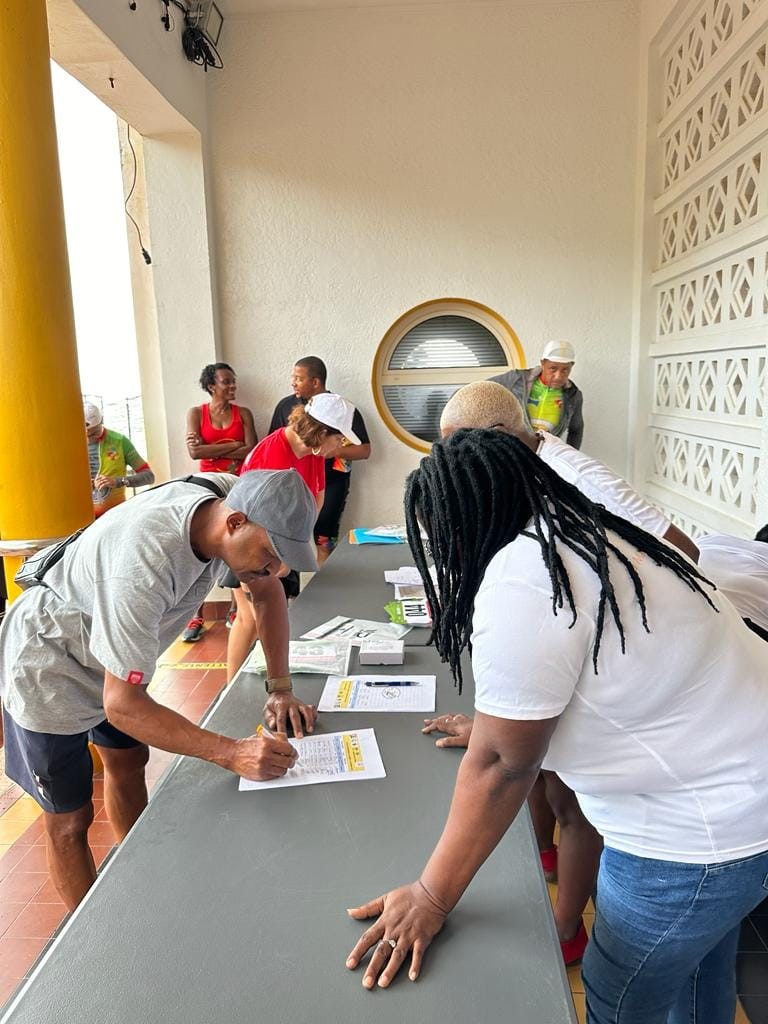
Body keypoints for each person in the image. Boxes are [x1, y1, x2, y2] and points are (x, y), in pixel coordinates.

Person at [345, 431, 768, 1024]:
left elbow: (503, 766)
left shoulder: (524, 577)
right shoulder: (590, 532)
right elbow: (609, 674)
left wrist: (431, 895)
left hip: (699, 836)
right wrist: (496, 725)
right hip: (746, 801)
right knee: (699, 967)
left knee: (620, 993)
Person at [429, 381, 697, 965]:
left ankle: (567, 923)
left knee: (571, 800)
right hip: (573, 663)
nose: (454, 464)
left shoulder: (577, 478)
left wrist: (431, 895)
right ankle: (543, 855)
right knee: (542, 776)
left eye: (460, 449)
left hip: (628, 701)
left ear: (499, 439)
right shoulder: (525, 474)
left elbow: (683, 554)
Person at [0, 469, 317, 911]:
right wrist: (231, 753)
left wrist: (280, 688)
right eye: (270, 554)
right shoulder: (144, 564)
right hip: (50, 663)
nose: (274, 568)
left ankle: (138, 879)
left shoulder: (231, 499)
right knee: (70, 820)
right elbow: (122, 706)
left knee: (129, 761)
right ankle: (89, 934)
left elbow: (266, 594)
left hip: (113, 653)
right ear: (235, 522)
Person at [226, 393, 361, 681]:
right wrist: (279, 560)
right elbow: (252, 525)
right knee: (252, 620)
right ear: (322, 432)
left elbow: (316, 501)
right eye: (339, 439)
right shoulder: (270, 456)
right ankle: (232, 689)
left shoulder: (312, 453)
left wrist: (294, 553)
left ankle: (266, 682)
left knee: (269, 619)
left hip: (281, 546)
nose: (341, 446)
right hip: (249, 548)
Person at [269, 357, 371, 563]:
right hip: (293, 486)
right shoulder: (285, 406)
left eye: (299, 379)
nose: (293, 383)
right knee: (288, 543)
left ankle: (322, 578)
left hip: (332, 483)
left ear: (315, 382)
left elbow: (364, 450)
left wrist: (333, 450)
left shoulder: (343, 409)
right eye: (293, 378)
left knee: (323, 540)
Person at [183, 363, 257, 641]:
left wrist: (211, 449)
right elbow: (194, 453)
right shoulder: (196, 413)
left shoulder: (244, 413)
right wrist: (232, 445)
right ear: (211, 385)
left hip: (238, 487)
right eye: (226, 382)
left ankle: (236, 610)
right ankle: (195, 616)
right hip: (207, 490)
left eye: (233, 381)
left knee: (237, 545)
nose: (232, 386)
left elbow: (251, 449)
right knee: (199, 549)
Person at [490, 339, 584, 448]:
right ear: (543, 363)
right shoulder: (517, 379)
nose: (558, 376)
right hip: (514, 450)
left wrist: (570, 454)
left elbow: (576, 429)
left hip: (545, 453)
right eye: (553, 369)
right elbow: (484, 388)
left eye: (565, 370)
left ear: (572, 366)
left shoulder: (573, 396)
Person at [83, 402, 155, 518]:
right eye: (84, 433)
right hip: (81, 520)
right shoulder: (72, 444)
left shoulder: (120, 441)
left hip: (116, 518)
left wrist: (118, 481)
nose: (89, 438)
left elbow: (149, 476)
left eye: (95, 433)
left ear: (102, 421)